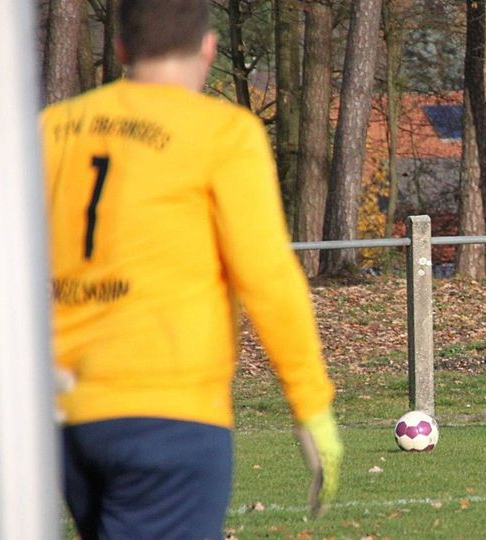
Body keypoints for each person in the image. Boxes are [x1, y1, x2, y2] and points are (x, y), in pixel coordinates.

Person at [41, 1, 343, 537]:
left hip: (66, 419)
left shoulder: (53, 129)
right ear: (208, 48)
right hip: (169, 413)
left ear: (121, 48)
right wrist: (310, 403)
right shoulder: (221, 133)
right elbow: (267, 276)